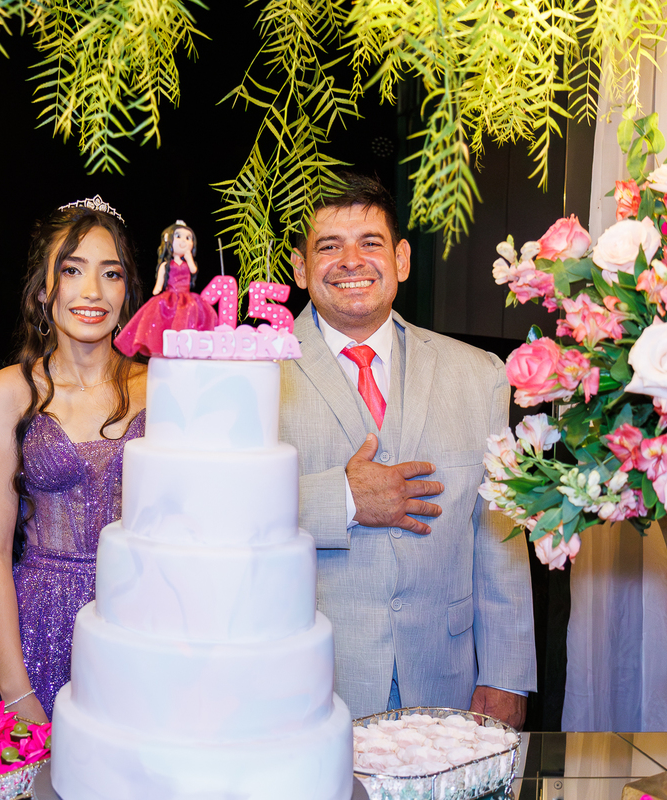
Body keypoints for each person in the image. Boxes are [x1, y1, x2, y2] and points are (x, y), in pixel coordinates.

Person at [277, 174, 537, 728]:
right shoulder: (253, 374)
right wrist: (344, 500)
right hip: (305, 689)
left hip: (446, 683)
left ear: (401, 259)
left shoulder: (480, 376)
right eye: (329, 246)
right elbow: (223, 519)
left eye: (370, 243)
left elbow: (499, 535)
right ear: (300, 268)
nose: (351, 261)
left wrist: (506, 675)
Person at [0, 197, 146, 724]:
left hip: (138, 618)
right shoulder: (10, 391)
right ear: (43, 289)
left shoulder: (161, 385)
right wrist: (15, 690)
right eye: (72, 270)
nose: (93, 291)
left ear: (126, 291)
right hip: (38, 624)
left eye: (111, 273)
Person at [115, 219, 217, 357]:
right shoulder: (166, 265)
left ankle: (187, 349)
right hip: (170, 297)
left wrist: (189, 258)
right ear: (168, 240)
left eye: (188, 238)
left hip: (187, 299)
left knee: (190, 319)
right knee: (166, 322)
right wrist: (157, 289)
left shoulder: (187, 264)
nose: (184, 241)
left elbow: (194, 270)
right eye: (178, 236)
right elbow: (160, 282)